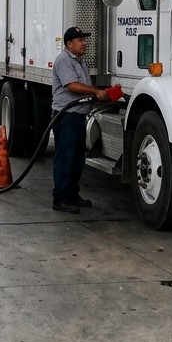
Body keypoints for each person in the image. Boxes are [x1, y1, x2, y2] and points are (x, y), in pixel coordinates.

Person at [51, 27, 107, 214]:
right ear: (69, 44)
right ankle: (60, 199)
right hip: (66, 116)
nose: (85, 43)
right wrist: (95, 91)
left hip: (77, 116)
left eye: (84, 40)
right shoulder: (64, 60)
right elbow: (72, 85)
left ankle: (72, 195)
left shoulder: (79, 61)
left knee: (76, 160)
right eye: (80, 40)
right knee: (65, 159)